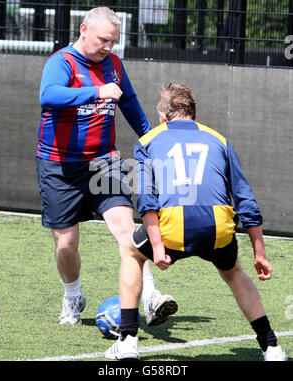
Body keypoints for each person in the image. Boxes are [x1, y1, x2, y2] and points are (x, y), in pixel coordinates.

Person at [105, 83, 287, 361]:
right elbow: (245, 200)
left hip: (172, 227)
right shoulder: (220, 139)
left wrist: (156, 248)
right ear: (193, 113)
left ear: (163, 115)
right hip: (218, 226)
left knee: (131, 252)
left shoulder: (147, 141)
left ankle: (128, 340)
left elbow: (146, 200)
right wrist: (260, 254)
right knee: (234, 272)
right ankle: (272, 347)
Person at [36, 7, 177, 327]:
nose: (108, 47)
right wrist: (96, 92)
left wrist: (153, 140)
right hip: (59, 166)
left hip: (104, 164)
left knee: (126, 230)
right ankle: (72, 296)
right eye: (103, 40)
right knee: (66, 243)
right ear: (83, 30)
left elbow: (128, 103)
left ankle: (151, 297)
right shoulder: (62, 62)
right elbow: (49, 96)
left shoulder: (113, 64)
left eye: (113, 41)